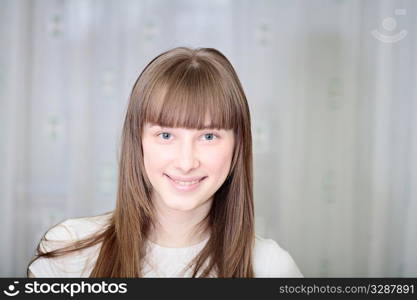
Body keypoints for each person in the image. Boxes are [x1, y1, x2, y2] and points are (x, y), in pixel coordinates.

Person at [27, 47, 303, 278]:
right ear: (139, 142)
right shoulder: (68, 252)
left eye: (208, 136)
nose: (186, 162)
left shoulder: (271, 268)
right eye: (166, 135)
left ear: (237, 145)